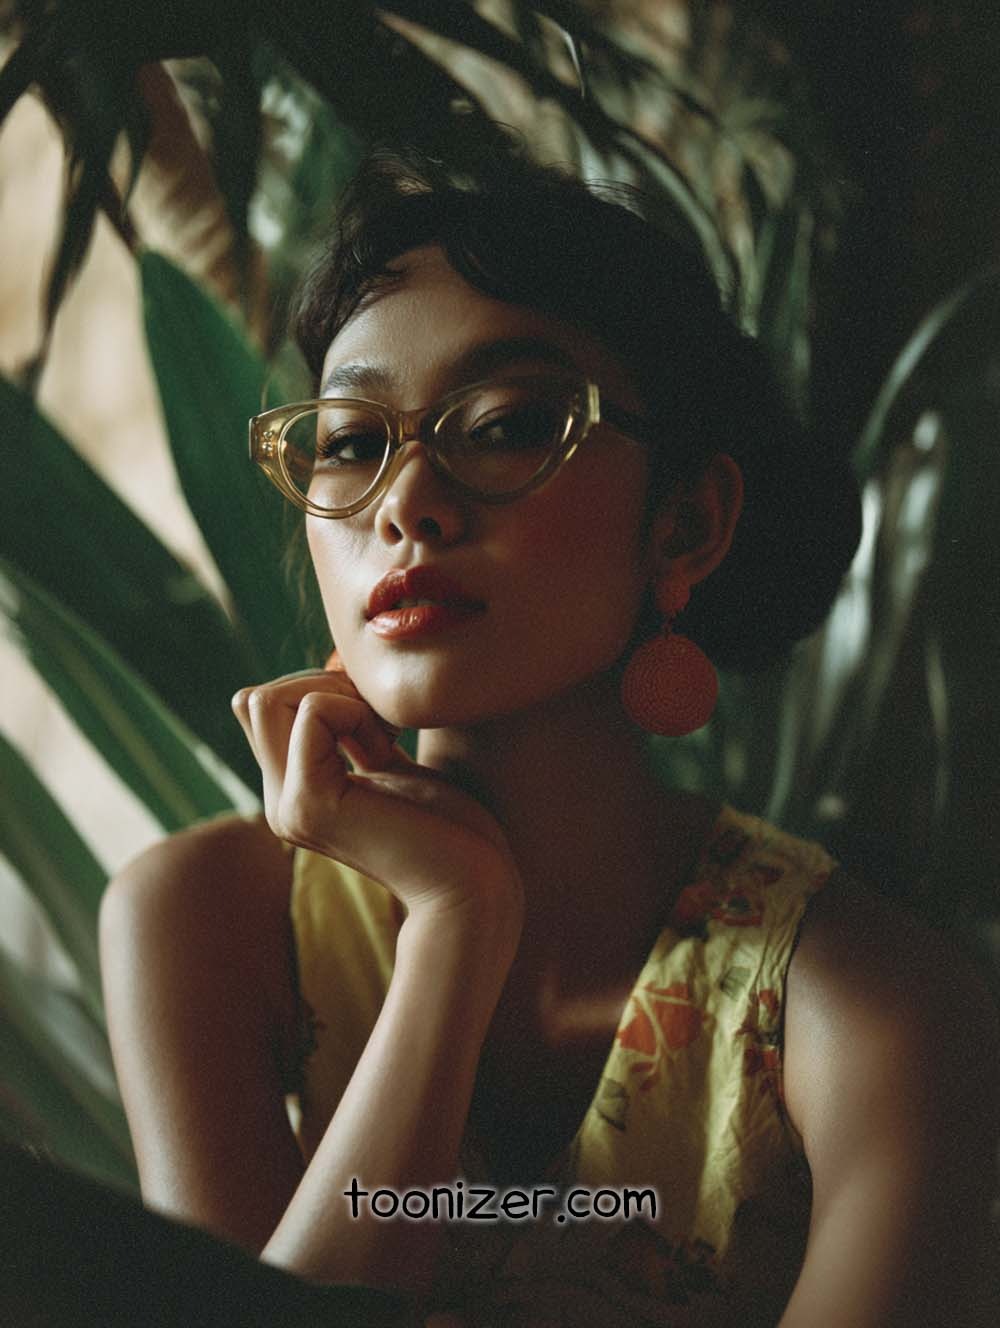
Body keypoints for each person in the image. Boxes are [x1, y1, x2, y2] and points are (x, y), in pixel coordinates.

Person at [97, 144, 998, 1326]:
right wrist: (456, 924)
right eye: (353, 441)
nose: (405, 501)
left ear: (686, 523)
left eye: (506, 423)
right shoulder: (209, 919)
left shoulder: (875, 1014)